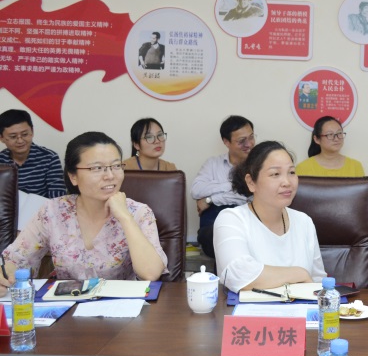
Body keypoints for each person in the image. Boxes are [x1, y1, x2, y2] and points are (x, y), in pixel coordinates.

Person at [0, 132, 167, 284]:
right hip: (67, 304)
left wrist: (125, 217)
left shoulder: (139, 212)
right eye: (97, 168)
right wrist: (4, 275)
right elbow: (15, 260)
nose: (110, 176)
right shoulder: (53, 211)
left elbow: (151, 273)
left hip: (122, 305)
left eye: (116, 166)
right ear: (73, 176)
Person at [214, 141, 326, 292]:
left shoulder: (304, 221)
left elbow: (318, 282)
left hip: (301, 307)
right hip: (250, 308)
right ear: (251, 182)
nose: (287, 182)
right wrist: (299, 273)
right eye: (275, 174)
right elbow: (237, 273)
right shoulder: (231, 219)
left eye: (291, 172)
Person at [191, 116, 256, 258]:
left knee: (239, 240)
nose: (249, 144)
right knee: (217, 237)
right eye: (242, 141)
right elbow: (196, 190)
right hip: (214, 222)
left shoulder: (260, 165)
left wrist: (211, 199)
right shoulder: (213, 164)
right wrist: (233, 185)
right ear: (226, 142)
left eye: (251, 137)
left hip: (249, 217)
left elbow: (254, 197)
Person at [0, 109, 66, 199]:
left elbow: (58, 197)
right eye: (13, 137)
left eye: (24, 134)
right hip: (8, 207)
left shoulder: (49, 158)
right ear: (1, 138)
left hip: (43, 207)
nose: (20, 141)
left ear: (32, 132)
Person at [295, 116, 364, 177]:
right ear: (316, 139)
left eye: (339, 133)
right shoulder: (303, 168)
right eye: (330, 134)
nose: (336, 139)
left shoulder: (355, 167)